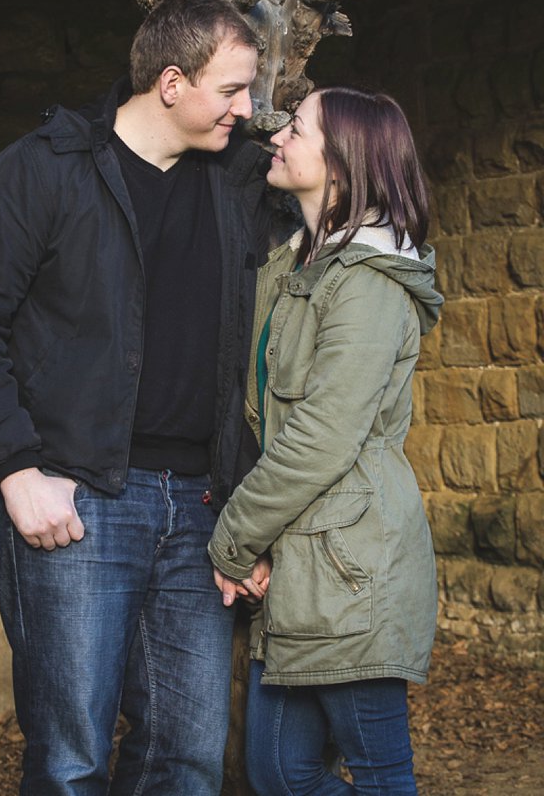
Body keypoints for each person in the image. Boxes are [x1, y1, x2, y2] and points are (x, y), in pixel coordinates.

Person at [0, 0, 279, 795]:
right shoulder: (43, 170)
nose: (248, 108)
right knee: (70, 759)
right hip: (77, 501)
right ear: (169, 82)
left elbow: (343, 192)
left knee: (187, 756)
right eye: (231, 90)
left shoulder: (238, 178)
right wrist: (16, 471)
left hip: (201, 507)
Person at [208, 86, 441, 794]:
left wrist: (234, 538)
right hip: (299, 562)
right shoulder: (294, 271)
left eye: (298, 128)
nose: (278, 136)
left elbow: (320, 436)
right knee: (280, 771)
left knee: (377, 775)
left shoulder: (368, 286)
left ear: (339, 164)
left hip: (351, 568)